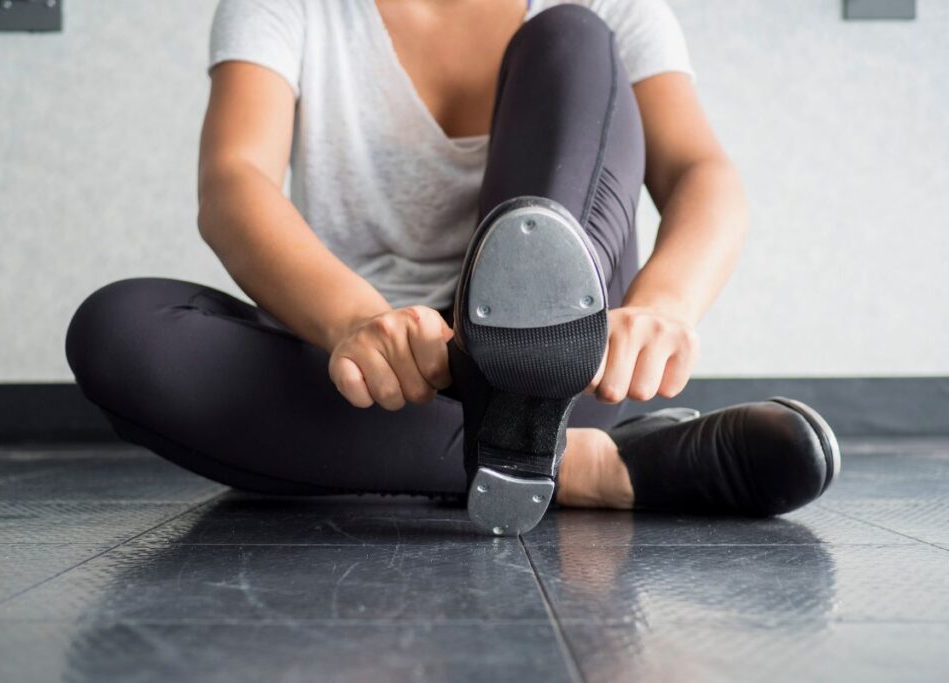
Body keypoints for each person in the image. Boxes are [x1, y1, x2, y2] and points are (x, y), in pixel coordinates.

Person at [66, 0, 840, 535]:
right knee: (118, 331)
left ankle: (521, 423)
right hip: (378, 378)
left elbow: (703, 172)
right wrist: (354, 320)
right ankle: (581, 467)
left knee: (569, 36)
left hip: (556, 374)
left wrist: (667, 303)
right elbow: (233, 182)